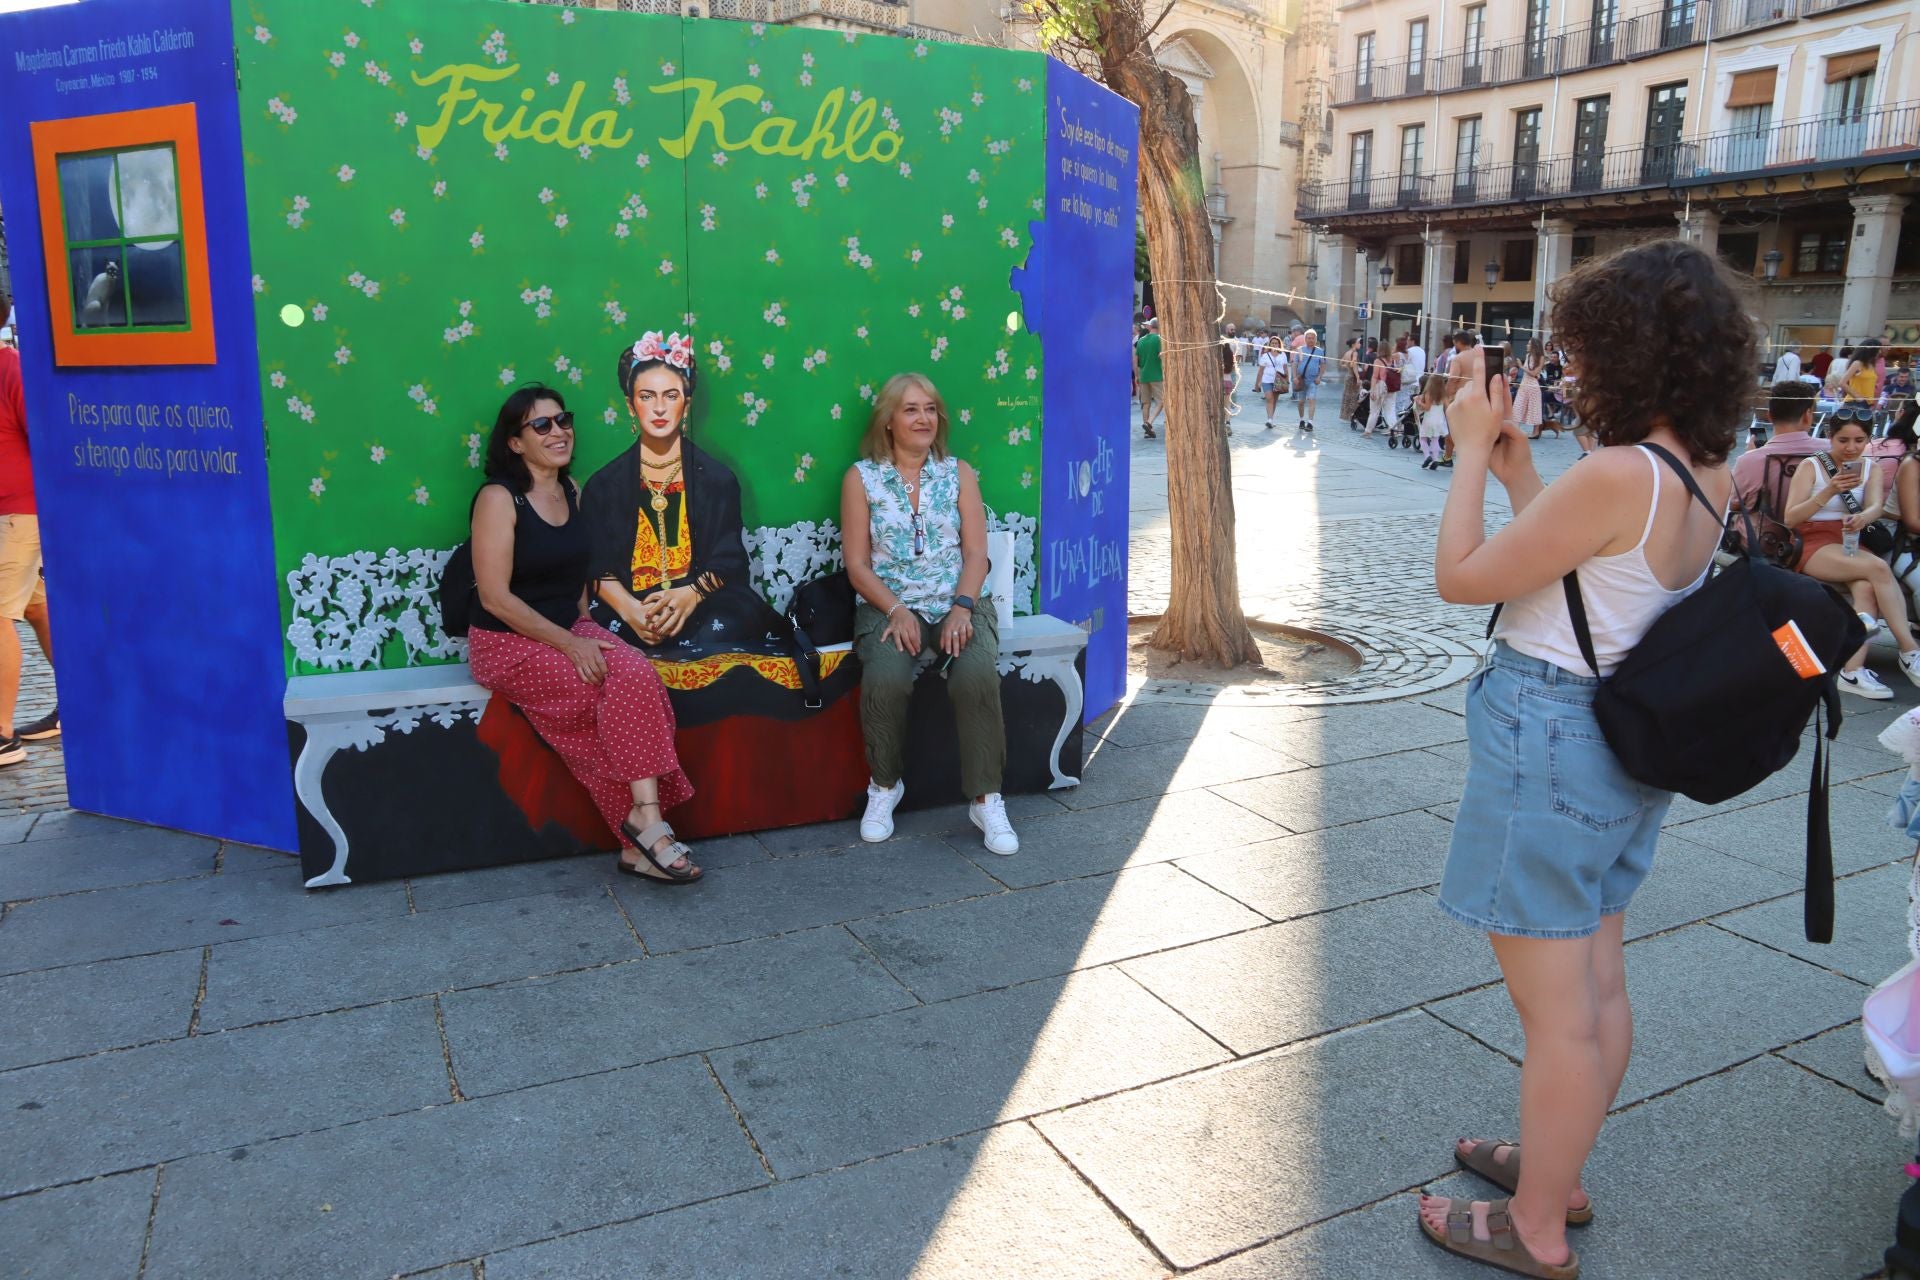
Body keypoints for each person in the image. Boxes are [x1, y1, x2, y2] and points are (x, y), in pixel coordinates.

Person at [1420, 241, 1757, 1277]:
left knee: (1554, 1011)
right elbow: (1588, 582)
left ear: (1631, 354)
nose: (1571, 369)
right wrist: (1527, 474)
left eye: (1584, 350)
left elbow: (1462, 578)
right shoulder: (1703, 469)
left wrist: (1471, 445)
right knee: (1597, 981)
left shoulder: (1618, 471)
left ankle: (1534, 1225)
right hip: (1615, 751)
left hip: (1550, 739)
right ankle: (1552, 1169)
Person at [466, 384, 701, 884]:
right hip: (505, 643)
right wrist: (571, 644)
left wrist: (585, 630)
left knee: (636, 673)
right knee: (603, 696)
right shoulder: (498, 499)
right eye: (542, 425)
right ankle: (647, 826)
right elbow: (494, 598)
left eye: (563, 420)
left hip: (569, 628)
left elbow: (575, 579)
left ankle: (641, 833)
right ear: (515, 442)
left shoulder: (570, 493)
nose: (559, 431)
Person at [840, 373, 1018, 857]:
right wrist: (896, 610)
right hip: (888, 606)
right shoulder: (862, 478)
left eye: (930, 409)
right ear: (890, 422)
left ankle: (986, 798)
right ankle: (884, 786)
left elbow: (976, 554)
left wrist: (963, 608)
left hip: (955, 601)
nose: (923, 418)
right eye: (911, 409)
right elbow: (856, 565)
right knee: (886, 678)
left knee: (975, 675)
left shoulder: (958, 472)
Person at [583, 332, 785, 660]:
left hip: (702, 600)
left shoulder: (717, 479)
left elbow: (728, 560)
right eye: (647, 396)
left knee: (722, 630)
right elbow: (597, 568)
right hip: (629, 602)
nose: (659, 408)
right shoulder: (604, 485)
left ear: (686, 404)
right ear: (630, 405)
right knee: (604, 635)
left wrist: (688, 596)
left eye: (671, 395)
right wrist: (632, 611)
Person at [1781, 410, 1920, 698]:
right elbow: (1791, 518)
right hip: (1812, 540)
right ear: (1830, 437)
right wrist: (1829, 491)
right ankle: (1910, 651)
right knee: (1879, 570)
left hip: (1849, 539)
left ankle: (1852, 671)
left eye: (1859, 440)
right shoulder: (1812, 466)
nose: (1851, 447)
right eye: (1843, 440)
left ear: (1868, 440)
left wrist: (1863, 518)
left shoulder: (1870, 468)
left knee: (1868, 589)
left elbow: (1875, 507)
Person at [0, 291, 55, 765]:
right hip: (8, 512)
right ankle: (80, 703)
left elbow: (40, 433)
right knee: (36, 608)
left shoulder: (10, 367)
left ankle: (2, 735)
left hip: (18, 512)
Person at [1513, 339, 1550, 439]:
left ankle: (1536, 432)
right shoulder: (1528, 356)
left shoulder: (1541, 358)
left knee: (1534, 408)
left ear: (1534, 346)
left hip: (1533, 386)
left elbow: (1534, 373)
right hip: (1524, 385)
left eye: (1529, 343)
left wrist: (1521, 366)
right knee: (1518, 407)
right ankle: (1515, 430)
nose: (1527, 345)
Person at [1412, 371, 1448, 470]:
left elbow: (1427, 407)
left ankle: (1427, 456)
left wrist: (1418, 401)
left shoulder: (1428, 393)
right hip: (1439, 419)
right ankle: (1435, 459)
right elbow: (1447, 406)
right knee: (1435, 439)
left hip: (1429, 418)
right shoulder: (1443, 394)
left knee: (1423, 438)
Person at [1134, 319, 1164, 439]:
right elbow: (1162, 357)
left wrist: (1137, 375)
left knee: (1146, 403)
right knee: (1161, 401)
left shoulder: (1140, 341)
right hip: (1157, 375)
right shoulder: (1160, 340)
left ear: (1150, 327)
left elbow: (1135, 360)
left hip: (1143, 375)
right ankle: (1149, 423)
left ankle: (1147, 431)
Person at [1290, 329, 1324, 432]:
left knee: (1311, 400)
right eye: (1308, 338)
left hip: (1313, 380)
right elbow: (1295, 364)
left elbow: (1323, 365)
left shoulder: (1319, 351)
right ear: (1305, 339)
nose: (1310, 340)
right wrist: (1295, 377)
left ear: (1315, 339)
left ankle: (1310, 423)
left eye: (1312, 338)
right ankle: (1301, 420)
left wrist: (1319, 377)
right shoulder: (1300, 349)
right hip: (1301, 380)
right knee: (1301, 402)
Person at [1258, 335, 1289, 429]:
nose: (1274, 344)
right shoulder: (1265, 356)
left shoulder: (1282, 355)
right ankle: (1269, 420)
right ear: (1269, 344)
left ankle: (1271, 419)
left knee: (1274, 400)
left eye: (1276, 343)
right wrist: (1257, 383)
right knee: (1269, 399)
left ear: (1279, 345)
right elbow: (1261, 370)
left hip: (1278, 381)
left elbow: (1285, 368)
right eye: (1273, 343)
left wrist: (1287, 380)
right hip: (1266, 380)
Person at [1366, 339, 1392, 437]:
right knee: (1389, 409)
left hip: (1380, 385)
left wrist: (1372, 390)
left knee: (1374, 410)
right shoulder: (1391, 360)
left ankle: (1368, 431)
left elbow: (1375, 376)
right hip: (1390, 386)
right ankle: (1393, 428)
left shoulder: (1378, 360)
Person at [1400, 332, 1428, 423]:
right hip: (1420, 381)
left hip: (1410, 380)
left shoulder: (1409, 351)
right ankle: (1414, 423)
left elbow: (1402, 364)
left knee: (1405, 403)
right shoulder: (1422, 351)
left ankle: (1403, 425)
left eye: (1408, 340)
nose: (1407, 342)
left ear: (1412, 341)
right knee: (1415, 405)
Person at [1339, 335, 1363, 429]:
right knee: (1354, 397)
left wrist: (1347, 366)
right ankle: (1352, 416)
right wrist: (1358, 377)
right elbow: (1354, 366)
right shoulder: (1354, 353)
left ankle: (1346, 416)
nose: (1360, 344)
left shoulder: (1347, 352)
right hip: (1352, 377)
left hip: (1347, 376)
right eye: (1358, 343)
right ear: (1354, 344)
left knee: (1347, 396)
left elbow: (1341, 363)